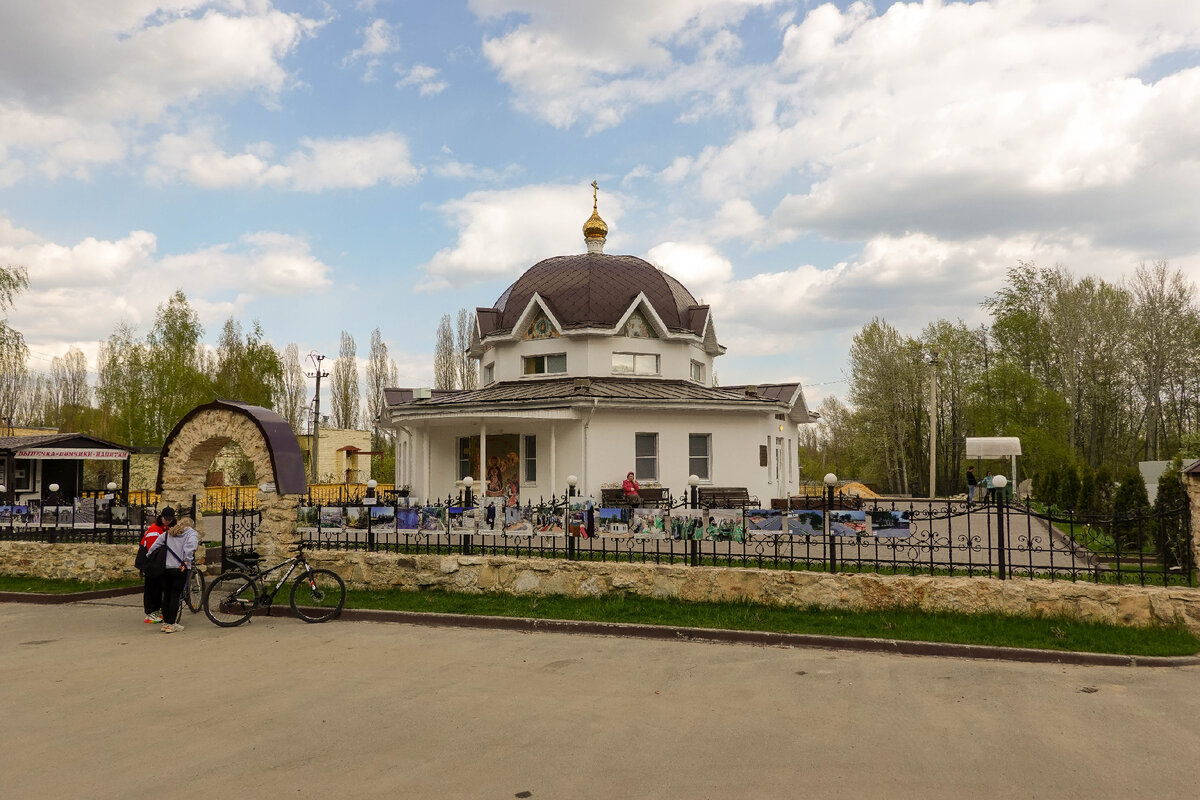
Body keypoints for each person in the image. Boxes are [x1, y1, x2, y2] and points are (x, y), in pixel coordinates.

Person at [150, 514, 199, 633]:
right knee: (175, 595)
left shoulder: (169, 532)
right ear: (191, 525)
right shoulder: (191, 533)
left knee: (166, 595)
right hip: (180, 567)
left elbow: (155, 545)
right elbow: (190, 546)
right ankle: (172, 623)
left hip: (166, 567)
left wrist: (150, 556)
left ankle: (166, 623)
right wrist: (186, 560)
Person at [139, 507, 174, 623]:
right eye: (166, 519)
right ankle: (149, 612)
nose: (168, 521)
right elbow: (152, 549)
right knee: (151, 585)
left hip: (158, 561)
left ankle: (156, 610)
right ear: (161, 517)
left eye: (170, 519)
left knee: (158, 586)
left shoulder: (166, 528)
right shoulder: (154, 529)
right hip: (151, 560)